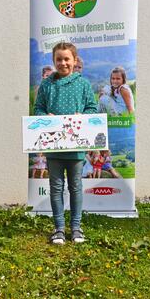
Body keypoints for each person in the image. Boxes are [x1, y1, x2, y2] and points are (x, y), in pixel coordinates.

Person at [34, 42, 97, 245]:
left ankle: (76, 228)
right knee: (56, 187)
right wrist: (46, 116)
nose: (63, 63)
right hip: (54, 146)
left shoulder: (83, 84)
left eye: (67, 59)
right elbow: (38, 109)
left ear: (75, 60)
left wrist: (82, 116)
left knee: (76, 186)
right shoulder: (47, 85)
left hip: (76, 146)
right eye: (59, 59)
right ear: (54, 61)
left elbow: (92, 109)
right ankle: (59, 228)